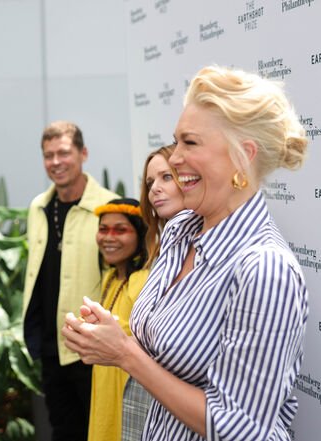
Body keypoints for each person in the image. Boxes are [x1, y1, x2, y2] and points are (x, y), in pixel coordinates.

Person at [62, 65, 308, 441]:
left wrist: (125, 354)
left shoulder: (264, 269)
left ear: (243, 156)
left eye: (190, 143)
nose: (174, 158)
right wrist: (107, 335)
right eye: (176, 141)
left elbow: (241, 429)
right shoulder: (178, 230)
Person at [22, 120, 117, 440]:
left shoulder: (109, 208)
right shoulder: (39, 206)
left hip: (92, 347)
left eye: (64, 153)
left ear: (83, 153)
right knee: (63, 431)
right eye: (48, 156)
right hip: (51, 347)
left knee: (100, 432)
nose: (56, 162)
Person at [120, 145, 186, 441]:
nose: (155, 189)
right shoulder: (161, 253)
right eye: (150, 183)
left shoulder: (215, 256)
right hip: (144, 403)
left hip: (183, 413)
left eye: (166, 178)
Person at [88, 198, 148, 441]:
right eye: (103, 229)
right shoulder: (109, 279)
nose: (109, 237)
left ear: (140, 235)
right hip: (104, 384)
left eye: (120, 230)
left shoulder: (144, 280)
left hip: (130, 388)